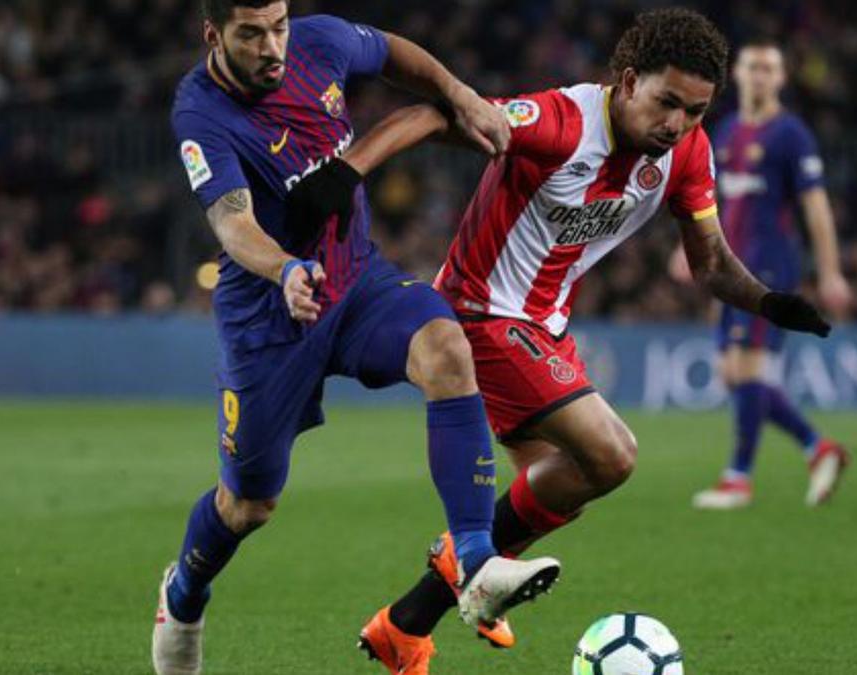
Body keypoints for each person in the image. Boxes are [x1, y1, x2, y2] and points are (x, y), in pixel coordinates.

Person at [283, 9, 831, 671]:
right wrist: (347, 172)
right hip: (481, 313)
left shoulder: (686, 152)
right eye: (667, 103)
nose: (678, 123)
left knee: (564, 480)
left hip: (546, 326)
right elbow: (438, 114)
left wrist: (770, 301)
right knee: (612, 454)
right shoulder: (559, 123)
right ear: (627, 82)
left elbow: (709, 262)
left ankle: (408, 622)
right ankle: (468, 562)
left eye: (695, 109)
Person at [151, 2, 560, 673]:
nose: (272, 46)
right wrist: (284, 268)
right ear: (213, 36)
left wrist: (457, 93)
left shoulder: (322, 42)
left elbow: (396, 51)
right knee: (249, 503)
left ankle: (479, 560)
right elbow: (232, 224)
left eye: (278, 26)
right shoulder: (200, 112)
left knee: (445, 348)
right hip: (270, 317)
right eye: (251, 34)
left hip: (357, 283)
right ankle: (184, 593)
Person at [684, 39, 852, 511]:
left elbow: (815, 206)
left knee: (748, 369)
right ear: (736, 74)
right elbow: (705, 200)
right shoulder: (726, 129)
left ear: (780, 78)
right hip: (730, 266)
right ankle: (819, 447)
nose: (759, 75)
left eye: (769, 68)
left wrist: (832, 271)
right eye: (752, 67)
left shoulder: (791, 135)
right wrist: (692, 247)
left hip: (770, 264)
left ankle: (738, 478)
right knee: (730, 373)